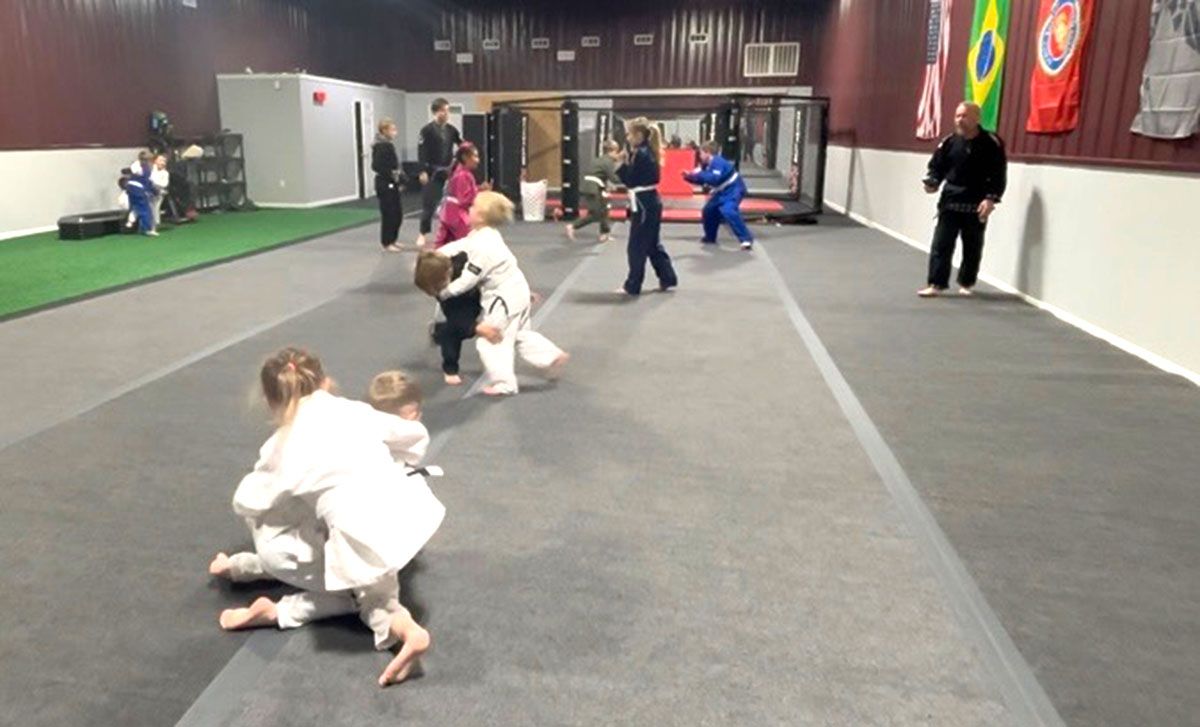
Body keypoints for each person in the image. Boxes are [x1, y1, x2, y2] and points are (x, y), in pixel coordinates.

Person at [210, 350, 444, 687]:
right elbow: (413, 436)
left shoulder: (281, 444)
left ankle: (280, 604)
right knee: (329, 528)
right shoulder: (353, 409)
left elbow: (248, 499)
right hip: (406, 517)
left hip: (360, 541)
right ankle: (407, 629)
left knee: (364, 597)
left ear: (271, 400)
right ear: (324, 381)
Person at [415, 191, 569, 396]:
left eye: (472, 207)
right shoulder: (484, 235)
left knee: (492, 340)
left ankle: (504, 384)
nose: (468, 209)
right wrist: (438, 253)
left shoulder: (483, 248)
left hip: (503, 298)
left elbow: (467, 281)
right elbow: (461, 246)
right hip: (517, 289)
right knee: (519, 334)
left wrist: (445, 292)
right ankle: (550, 355)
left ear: (480, 216)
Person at [918, 101, 1008, 298]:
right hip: (950, 200)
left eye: (964, 116)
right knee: (941, 243)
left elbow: (998, 174)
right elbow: (937, 167)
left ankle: (967, 282)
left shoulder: (992, 143)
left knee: (972, 246)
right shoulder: (949, 142)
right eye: (957, 115)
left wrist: (991, 199)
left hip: (977, 203)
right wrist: (932, 182)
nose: (959, 119)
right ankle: (936, 283)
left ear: (977, 118)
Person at [615, 117, 678, 295]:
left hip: (644, 202)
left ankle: (633, 285)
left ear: (639, 135)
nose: (627, 138)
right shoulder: (647, 151)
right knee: (651, 243)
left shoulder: (642, 154)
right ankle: (667, 277)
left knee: (636, 246)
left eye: (630, 134)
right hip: (649, 201)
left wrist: (621, 165)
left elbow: (630, 180)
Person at [683, 141, 754, 250]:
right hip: (722, 191)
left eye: (701, 153)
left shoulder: (717, 162)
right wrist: (689, 177)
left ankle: (746, 239)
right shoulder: (706, 165)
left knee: (728, 210)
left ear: (708, 152)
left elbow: (714, 179)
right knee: (708, 210)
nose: (700, 156)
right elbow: (704, 180)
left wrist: (698, 174)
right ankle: (710, 237)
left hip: (734, 189)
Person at [416, 98, 463, 248]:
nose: (447, 113)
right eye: (444, 110)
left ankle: (453, 232)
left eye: (448, 110)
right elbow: (421, 152)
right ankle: (422, 233)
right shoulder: (427, 130)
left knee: (453, 203)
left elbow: (461, 144)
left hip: (449, 171)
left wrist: (466, 153)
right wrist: (422, 171)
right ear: (436, 112)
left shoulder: (451, 130)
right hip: (432, 171)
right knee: (429, 203)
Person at [434, 143, 485, 248]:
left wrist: (479, 189)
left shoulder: (461, 172)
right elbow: (464, 200)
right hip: (457, 215)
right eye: (475, 156)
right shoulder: (463, 175)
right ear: (465, 157)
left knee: (444, 245)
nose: (478, 160)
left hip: (450, 213)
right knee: (465, 245)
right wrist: (479, 193)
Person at [372, 118, 407, 252]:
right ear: (385, 131)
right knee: (389, 214)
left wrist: (399, 179)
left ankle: (393, 239)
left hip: (392, 183)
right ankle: (387, 242)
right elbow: (377, 166)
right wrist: (393, 176)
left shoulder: (388, 145)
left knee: (397, 214)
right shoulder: (382, 146)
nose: (395, 132)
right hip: (385, 184)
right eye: (392, 130)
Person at [124, 151, 159, 237]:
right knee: (145, 210)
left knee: (134, 207)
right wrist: (154, 192)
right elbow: (147, 182)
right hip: (139, 190)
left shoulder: (135, 166)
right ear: (148, 160)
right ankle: (147, 229)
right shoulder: (146, 169)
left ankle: (131, 221)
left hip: (130, 188)